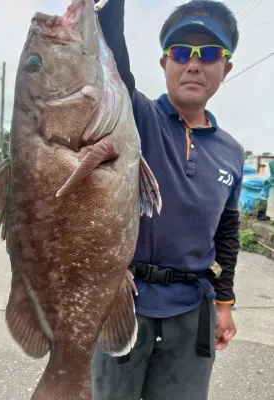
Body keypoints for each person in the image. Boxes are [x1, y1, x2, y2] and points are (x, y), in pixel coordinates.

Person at [92, 1, 245, 399]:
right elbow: (111, 62)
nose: (194, 64)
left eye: (209, 53)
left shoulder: (232, 152)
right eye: (181, 52)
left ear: (225, 70)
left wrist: (224, 303)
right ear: (164, 63)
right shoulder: (135, 115)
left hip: (192, 310)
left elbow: (226, 233)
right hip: (124, 303)